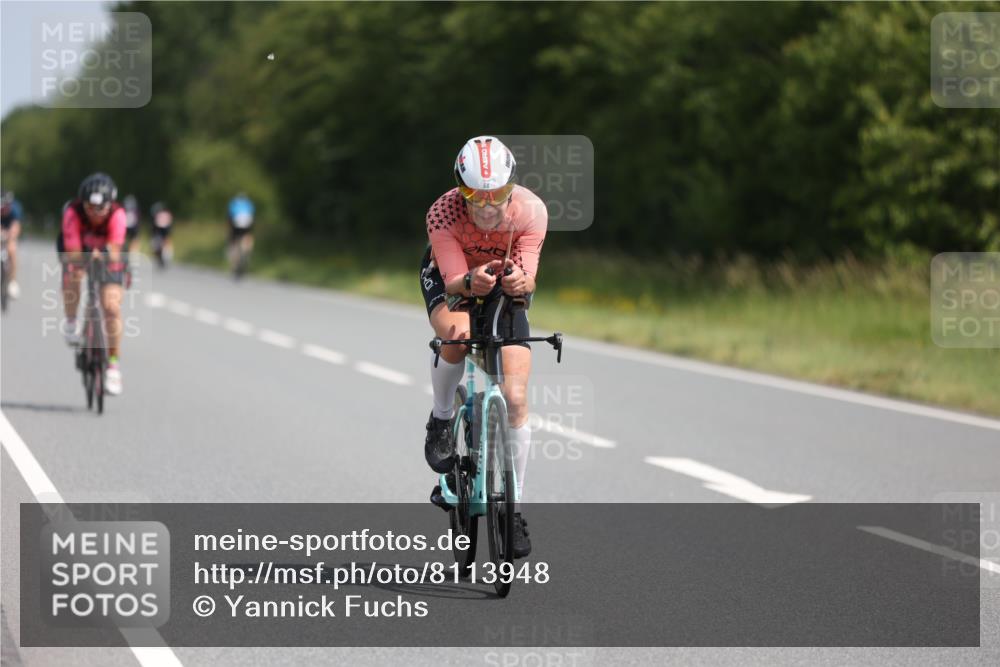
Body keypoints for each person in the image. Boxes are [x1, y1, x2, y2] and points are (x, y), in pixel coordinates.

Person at [420, 136, 547, 558]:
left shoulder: (531, 210)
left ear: (513, 187)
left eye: (498, 195)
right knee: (456, 337)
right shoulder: (443, 212)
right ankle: (441, 419)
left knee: (514, 395)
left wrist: (518, 281)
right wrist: (471, 282)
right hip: (452, 277)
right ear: (460, 190)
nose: (489, 206)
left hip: (502, 284)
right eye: (476, 195)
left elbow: (529, 279)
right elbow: (456, 281)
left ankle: (513, 511)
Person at [59, 173, 127, 396]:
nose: (95, 213)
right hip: (79, 252)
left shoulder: (118, 214)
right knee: (74, 274)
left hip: (109, 259)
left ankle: (113, 366)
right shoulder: (73, 212)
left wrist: (103, 254)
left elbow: (116, 249)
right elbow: (73, 250)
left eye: (101, 208)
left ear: (110, 204)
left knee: (111, 307)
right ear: (82, 204)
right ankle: (71, 321)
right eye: (90, 207)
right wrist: (84, 259)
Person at [1, 191, 23, 299]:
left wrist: (11, 235)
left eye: (7, 206)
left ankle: (12, 282)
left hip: (9, 228)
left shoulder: (15, 208)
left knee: (12, 249)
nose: (5, 208)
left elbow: (16, 226)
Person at [226, 192, 255, 273]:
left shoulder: (233, 203)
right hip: (247, 223)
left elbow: (229, 216)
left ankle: (234, 263)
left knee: (233, 242)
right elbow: (252, 215)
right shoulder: (249, 204)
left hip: (235, 223)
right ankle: (247, 252)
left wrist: (229, 228)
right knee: (247, 236)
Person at [149, 201, 174, 266]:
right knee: (164, 242)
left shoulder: (157, 215)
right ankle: (166, 255)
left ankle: (165, 255)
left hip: (161, 232)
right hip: (163, 232)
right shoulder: (167, 213)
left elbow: (153, 227)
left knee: (159, 244)